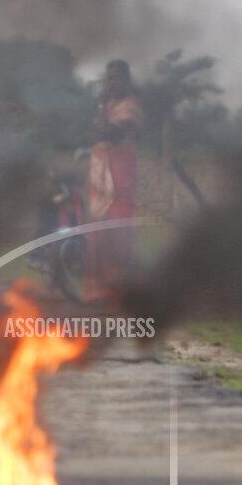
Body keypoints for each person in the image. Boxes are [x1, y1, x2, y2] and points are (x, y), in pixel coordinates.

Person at [84, 59, 143, 304]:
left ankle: (120, 288)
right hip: (101, 169)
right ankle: (97, 289)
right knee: (97, 227)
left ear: (126, 80)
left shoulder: (130, 106)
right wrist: (101, 109)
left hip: (121, 169)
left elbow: (113, 133)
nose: (112, 82)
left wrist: (101, 121)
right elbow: (95, 132)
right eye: (109, 77)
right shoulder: (106, 104)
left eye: (117, 77)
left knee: (118, 226)